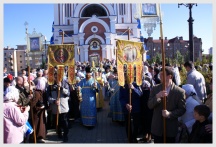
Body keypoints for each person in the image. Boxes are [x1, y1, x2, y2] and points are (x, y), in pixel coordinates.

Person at [148, 66, 186, 143]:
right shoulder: (155, 89)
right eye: (160, 74)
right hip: (157, 127)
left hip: (170, 128)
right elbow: (149, 105)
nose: (160, 76)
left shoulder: (179, 92)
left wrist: (170, 114)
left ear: (170, 76)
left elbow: (182, 109)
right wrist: (157, 97)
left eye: (163, 74)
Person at [48, 73, 70, 142]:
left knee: (65, 122)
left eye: (58, 77)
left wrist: (61, 87)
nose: (56, 78)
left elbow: (68, 93)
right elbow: (48, 97)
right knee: (58, 122)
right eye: (55, 77)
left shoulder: (65, 83)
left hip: (63, 106)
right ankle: (59, 133)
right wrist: (54, 101)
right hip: (55, 107)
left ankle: (65, 135)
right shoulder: (50, 85)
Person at [30, 78, 48, 143]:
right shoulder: (37, 93)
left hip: (40, 113)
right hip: (37, 113)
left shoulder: (41, 92)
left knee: (41, 125)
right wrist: (39, 108)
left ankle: (40, 136)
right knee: (38, 125)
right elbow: (33, 105)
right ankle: (38, 137)